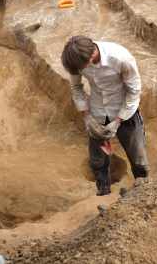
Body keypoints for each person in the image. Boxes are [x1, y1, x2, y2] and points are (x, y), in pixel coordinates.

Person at [61, 36, 149, 196]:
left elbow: (134, 91)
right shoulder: (76, 61)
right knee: (98, 159)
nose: (80, 70)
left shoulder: (120, 58)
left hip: (125, 110)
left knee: (138, 155)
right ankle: (103, 191)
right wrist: (87, 116)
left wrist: (118, 121)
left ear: (91, 56)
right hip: (98, 112)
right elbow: (76, 87)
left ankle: (143, 190)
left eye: (82, 67)